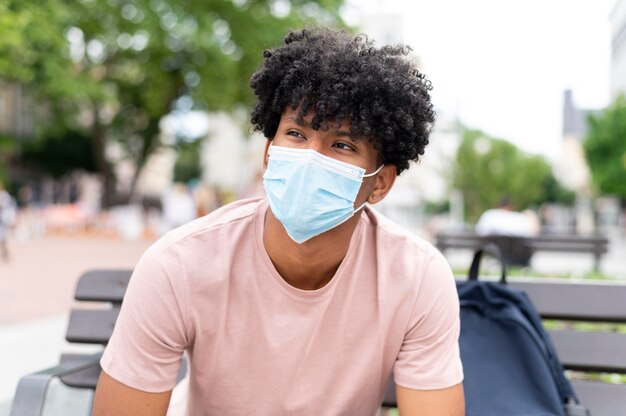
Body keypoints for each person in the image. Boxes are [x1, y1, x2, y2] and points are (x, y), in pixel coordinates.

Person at [93, 28, 464, 416]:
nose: (310, 157)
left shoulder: (417, 277)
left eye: (342, 145)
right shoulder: (180, 264)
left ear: (381, 183)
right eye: (296, 134)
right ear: (269, 153)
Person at [475, 197, 539, 237]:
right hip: (516, 255)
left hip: (491, 252)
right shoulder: (518, 218)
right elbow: (532, 232)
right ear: (510, 206)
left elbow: (480, 231)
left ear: (497, 205)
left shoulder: (488, 215)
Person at [0, 183, 16, 261]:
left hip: (3, 220)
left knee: (2, 237)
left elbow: (9, 208)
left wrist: (11, 220)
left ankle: (5, 253)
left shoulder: (5, 196)